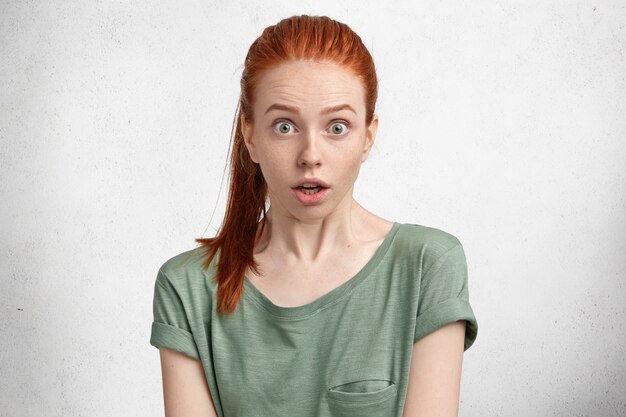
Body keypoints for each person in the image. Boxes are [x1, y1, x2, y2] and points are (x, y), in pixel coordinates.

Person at [150, 14, 478, 417]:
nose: (310, 156)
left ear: (368, 136)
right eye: (284, 126)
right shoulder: (186, 287)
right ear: (250, 136)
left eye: (337, 127)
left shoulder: (427, 265)